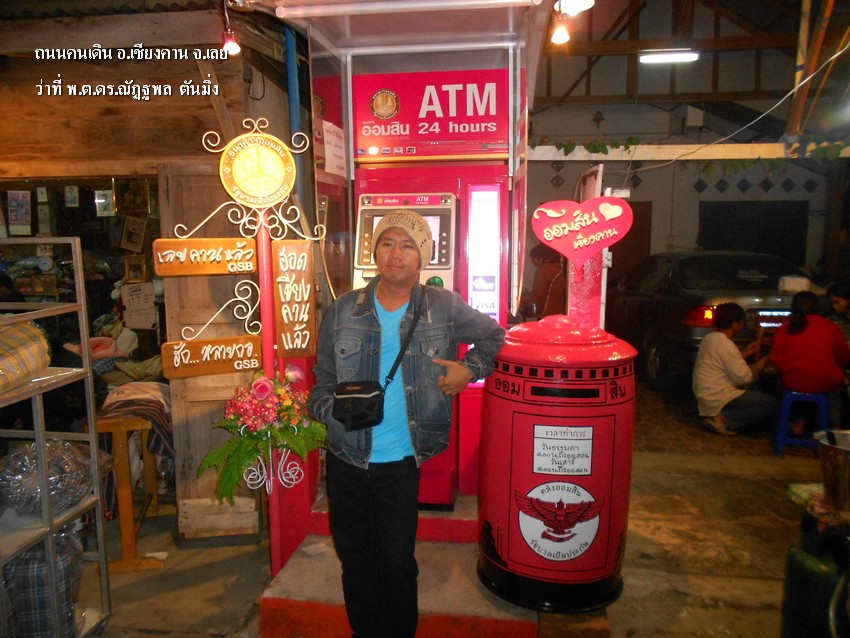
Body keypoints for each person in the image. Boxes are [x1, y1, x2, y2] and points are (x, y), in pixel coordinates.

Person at [308, 209, 506, 638]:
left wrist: (469, 370)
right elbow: (322, 383)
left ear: (423, 257)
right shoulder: (342, 310)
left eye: (407, 245)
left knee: (397, 561)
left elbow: (495, 336)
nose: (395, 253)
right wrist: (334, 414)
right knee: (355, 559)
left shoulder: (443, 306)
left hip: (401, 459)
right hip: (346, 457)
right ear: (374, 251)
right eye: (387, 243)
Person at [770, 290, 850, 432]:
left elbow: (776, 359)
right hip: (824, 383)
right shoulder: (830, 327)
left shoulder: (786, 328)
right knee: (836, 386)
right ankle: (834, 426)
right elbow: (844, 356)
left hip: (792, 381)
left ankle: (795, 423)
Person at [692, 302, 775, 435]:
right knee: (770, 403)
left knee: (756, 392)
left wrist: (746, 353)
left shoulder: (710, 338)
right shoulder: (726, 344)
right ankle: (722, 419)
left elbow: (726, 363)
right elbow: (745, 378)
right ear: (735, 324)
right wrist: (765, 360)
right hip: (717, 395)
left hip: (706, 392)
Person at [522, 243, 562, 319]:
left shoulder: (543, 270)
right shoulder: (559, 267)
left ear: (539, 258)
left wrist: (522, 301)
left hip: (546, 311)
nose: (533, 262)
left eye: (533, 259)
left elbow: (537, 292)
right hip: (560, 310)